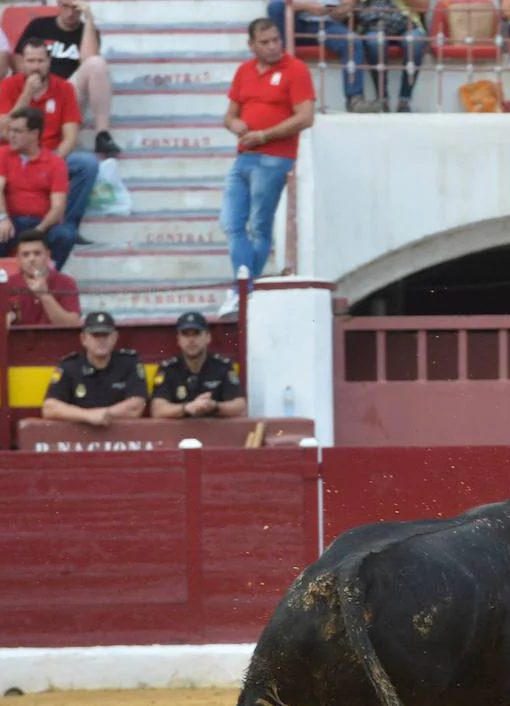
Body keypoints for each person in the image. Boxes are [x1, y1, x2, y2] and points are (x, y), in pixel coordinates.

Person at [220, 18, 316, 314]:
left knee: (259, 227)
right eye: (266, 42)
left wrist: (264, 134)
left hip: (275, 156)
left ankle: (242, 291)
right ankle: (245, 288)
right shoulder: (244, 71)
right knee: (231, 222)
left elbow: (306, 117)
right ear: (252, 46)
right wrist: (235, 124)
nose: (274, 46)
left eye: (276, 40)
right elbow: (229, 115)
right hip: (245, 154)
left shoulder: (295, 69)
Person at [0, 39, 99, 250]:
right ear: (22, 63)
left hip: (52, 154)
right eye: (30, 61)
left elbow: (71, 136)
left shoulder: (63, 88)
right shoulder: (8, 85)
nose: (35, 66)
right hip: (15, 154)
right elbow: (7, 132)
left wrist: (51, 162)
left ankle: (67, 223)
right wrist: (26, 94)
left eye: (40, 61)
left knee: (87, 164)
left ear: (49, 62)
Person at [13, 0, 120, 156]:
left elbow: (89, 60)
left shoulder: (88, 31)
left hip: (67, 93)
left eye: (75, 9)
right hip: (36, 88)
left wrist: (89, 19)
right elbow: (18, 58)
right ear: (58, 4)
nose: (70, 13)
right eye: (65, 7)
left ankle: (102, 135)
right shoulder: (39, 25)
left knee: (97, 64)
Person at [0, 107, 75, 269]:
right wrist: (2, 217)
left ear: (34, 134)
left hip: (41, 224)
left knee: (65, 236)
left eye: (17, 131)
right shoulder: (3, 153)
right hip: (10, 221)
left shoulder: (55, 163)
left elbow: (58, 207)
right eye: (10, 131)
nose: (11, 136)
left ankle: (48, 277)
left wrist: (39, 231)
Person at [267, 0, 383, 113]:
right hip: (295, 21)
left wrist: (345, 7)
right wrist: (306, 6)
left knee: (352, 41)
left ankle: (355, 100)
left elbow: (343, 9)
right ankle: (284, 78)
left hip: (327, 24)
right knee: (276, 6)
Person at [41, 310, 147, 427]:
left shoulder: (129, 362)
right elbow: (49, 407)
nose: (101, 340)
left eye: (105, 335)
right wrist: (87, 416)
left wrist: (105, 414)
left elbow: (136, 405)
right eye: (95, 335)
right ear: (83, 339)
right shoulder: (69, 366)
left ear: (115, 337)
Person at [149, 312, 248, 419]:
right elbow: (157, 410)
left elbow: (241, 407)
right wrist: (187, 408)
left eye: (196, 333)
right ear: (178, 340)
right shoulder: (168, 368)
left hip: (215, 432)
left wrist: (215, 406)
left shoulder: (222, 366)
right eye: (185, 334)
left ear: (208, 337)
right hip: (177, 434)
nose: (191, 340)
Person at [0, 229, 80, 328]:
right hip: (18, 342)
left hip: (56, 342)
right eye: (25, 255)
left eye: (37, 253)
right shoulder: (7, 284)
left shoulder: (66, 283)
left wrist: (45, 295)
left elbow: (74, 325)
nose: (32, 259)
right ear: (18, 259)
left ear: (48, 255)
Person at [354, 0, 428, 112]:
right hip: (373, 24)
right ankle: (382, 100)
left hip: (406, 23)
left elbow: (424, 7)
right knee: (375, 43)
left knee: (415, 42)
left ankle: (404, 101)